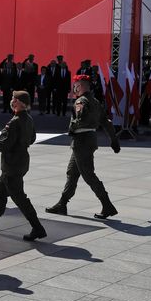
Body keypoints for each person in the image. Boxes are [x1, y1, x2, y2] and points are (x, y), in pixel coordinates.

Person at [0, 90, 47, 241]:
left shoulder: (14, 122)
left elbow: (3, 144)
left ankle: (37, 228)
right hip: (20, 162)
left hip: (12, 164)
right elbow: (32, 138)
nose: (12, 101)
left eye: (15, 100)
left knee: (20, 197)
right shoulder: (28, 119)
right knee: (0, 192)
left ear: (21, 103)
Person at [46, 75, 120, 219]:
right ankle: (62, 203)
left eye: (76, 85)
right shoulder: (95, 101)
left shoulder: (81, 101)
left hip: (81, 141)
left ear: (80, 86)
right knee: (72, 173)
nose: (74, 88)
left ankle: (107, 205)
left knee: (88, 175)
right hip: (88, 140)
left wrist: (71, 128)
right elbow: (106, 122)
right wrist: (113, 139)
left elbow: (79, 120)